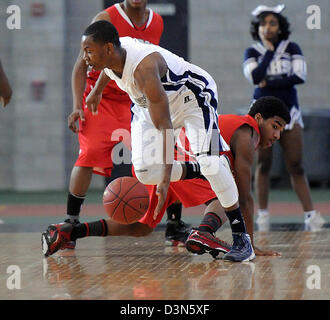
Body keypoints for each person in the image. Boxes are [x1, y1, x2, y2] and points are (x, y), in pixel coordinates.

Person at [42, 20, 256, 262]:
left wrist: (166, 178)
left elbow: (165, 126)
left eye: (89, 51)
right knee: (144, 172)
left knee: (211, 165)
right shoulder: (112, 56)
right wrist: (97, 90)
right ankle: (202, 168)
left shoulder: (144, 68)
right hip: (146, 104)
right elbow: (107, 70)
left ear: (109, 48)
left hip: (192, 97)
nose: (84, 57)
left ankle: (241, 240)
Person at [41, 96, 289, 260]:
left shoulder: (230, 125)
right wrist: (250, 245)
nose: (277, 135)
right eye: (275, 126)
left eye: (281, 130)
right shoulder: (248, 132)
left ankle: (69, 232)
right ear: (258, 119)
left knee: (141, 227)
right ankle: (203, 231)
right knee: (227, 190)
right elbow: (244, 197)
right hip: (183, 162)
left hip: (168, 161)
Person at [64, 0, 164, 250]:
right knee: (88, 156)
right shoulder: (106, 18)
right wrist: (78, 105)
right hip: (101, 97)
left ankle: (173, 222)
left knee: (160, 150)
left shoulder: (157, 22)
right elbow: (80, 65)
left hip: (133, 96)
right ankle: (70, 221)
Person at [243, 4, 325, 231]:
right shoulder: (252, 51)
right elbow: (255, 77)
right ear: (257, 27)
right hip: (262, 117)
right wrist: (269, 55)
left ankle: (310, 213)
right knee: (264, 163)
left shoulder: (292, 48)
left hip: (290, 112)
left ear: (280, 27)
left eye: (272, 23)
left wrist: (268, 83)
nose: (267, 28)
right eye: (263, 23)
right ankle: (263, 214)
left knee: (296, 164)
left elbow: (299, 76)